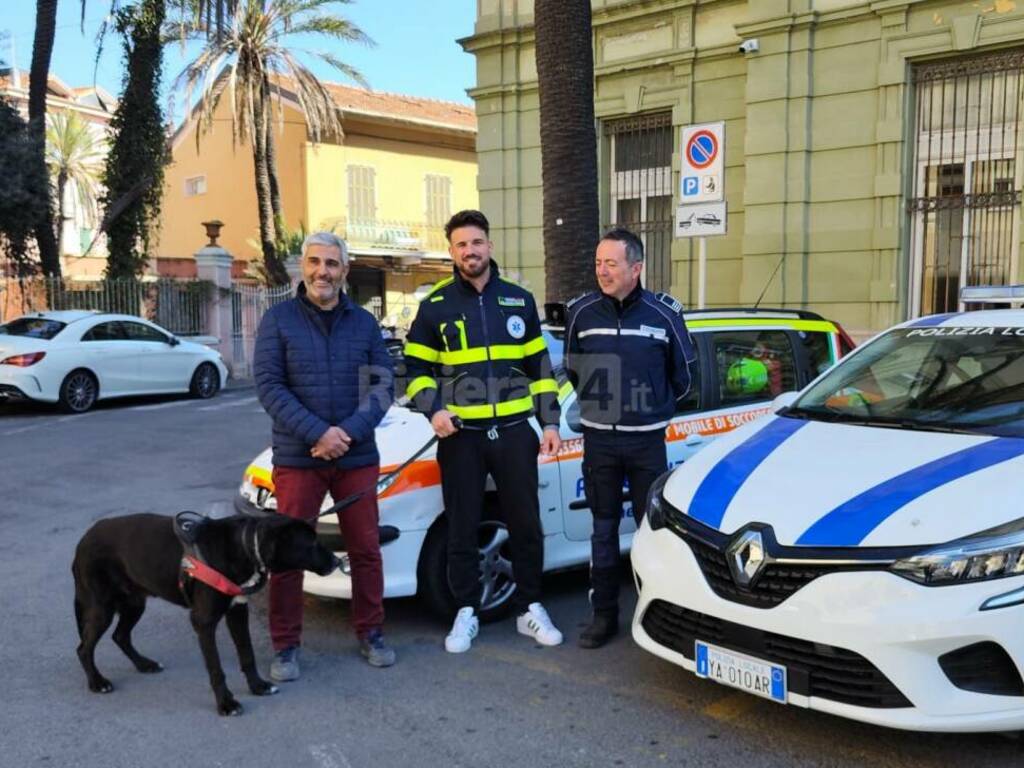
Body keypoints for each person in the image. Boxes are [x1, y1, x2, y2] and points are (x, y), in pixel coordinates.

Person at [403, 209, 563, 653]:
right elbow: (414, 368)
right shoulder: (435, 305)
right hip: (462, 437)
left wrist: (549, 422)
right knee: (462, 526)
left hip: (515, 433)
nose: (469, 251)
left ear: (489, 246)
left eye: (476, 242)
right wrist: (433, 409)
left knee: (526, 524)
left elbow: (540, 368)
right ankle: (466, 611)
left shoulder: (518, 300)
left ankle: (530, 608)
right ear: (451, 251)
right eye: (460, 245)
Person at [254, 231, 396, 679]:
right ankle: (285, 646)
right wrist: (319, 433)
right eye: (315, 262)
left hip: (355, 457)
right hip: (299, 458)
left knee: (366, 550)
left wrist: (346, 435)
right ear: (303, 266)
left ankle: (371, 632)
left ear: (345, 271)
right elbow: (270, 387)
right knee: (287, 553)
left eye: (332, 264)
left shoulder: (365, 324)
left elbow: (383, 385)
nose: (322, 271)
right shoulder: (278, 320)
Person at [564, 228, 696, 648]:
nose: (602, 271)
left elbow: (685, 377)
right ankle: (603, 616)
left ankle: (655, 615)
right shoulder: (581, 314)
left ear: (636, 268)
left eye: (612, 263)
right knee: (602, 531)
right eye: (598, 262)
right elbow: (573, 370)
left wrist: (652, 409)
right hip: (599, 442)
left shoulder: (664, 314)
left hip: (646, 444)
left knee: (651, 532)